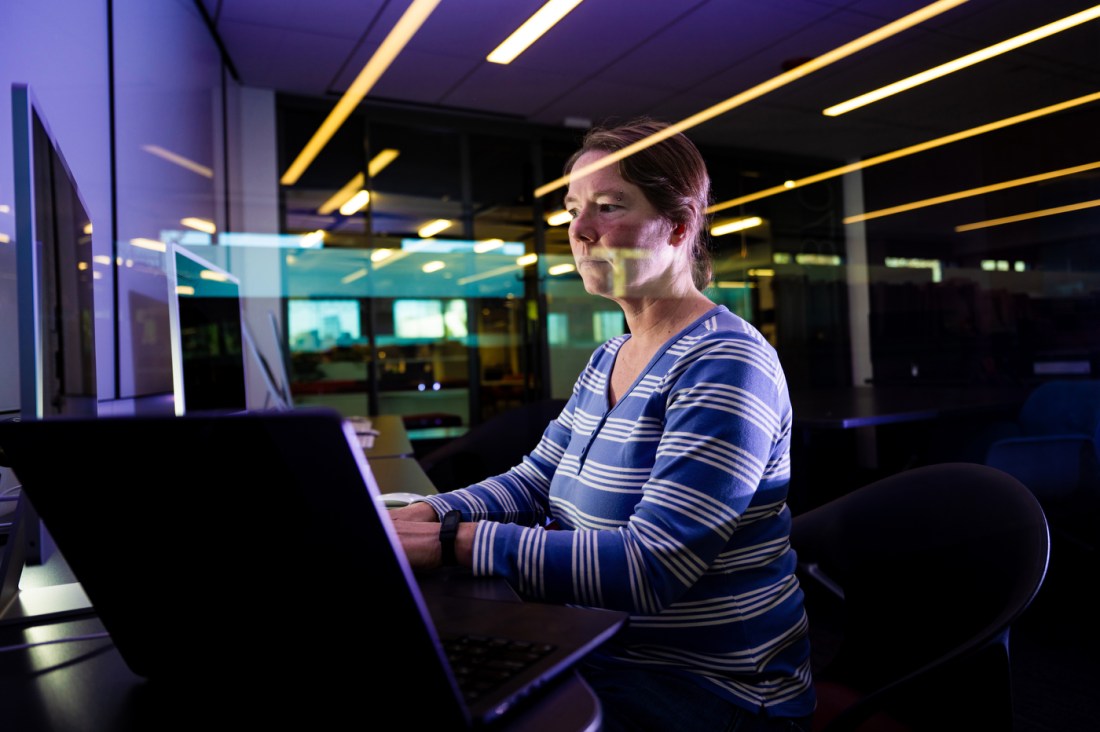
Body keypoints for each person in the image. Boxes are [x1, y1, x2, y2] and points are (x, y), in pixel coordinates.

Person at [390, 118, 815, 731]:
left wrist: (457, 540)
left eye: (609, 207)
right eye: (572, 209)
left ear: (679, 224)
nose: (579, 231)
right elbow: (537, 478)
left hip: (708, 688)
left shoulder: (727, 362)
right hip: (607, 644)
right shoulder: (608, 357)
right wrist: (424, 515)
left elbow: (653, 565)